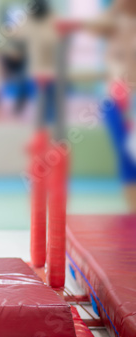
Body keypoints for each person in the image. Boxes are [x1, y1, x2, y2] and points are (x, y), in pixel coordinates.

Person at [58, 0, 136, 212]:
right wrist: (115, 9)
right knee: (127, 158)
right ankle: (133, 214)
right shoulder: (113, 22)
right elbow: (92, 26)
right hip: (117, 100)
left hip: (130, 98)